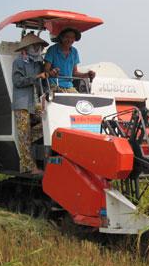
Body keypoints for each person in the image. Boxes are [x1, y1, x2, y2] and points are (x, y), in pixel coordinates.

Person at [12, 33, 49, 174]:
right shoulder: (18, 61)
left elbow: (43, 80)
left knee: (49, 122)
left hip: (35, 103)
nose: (38, 48)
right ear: (28, 47)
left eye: (39, 46)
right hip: (21, 103)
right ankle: (28, 166)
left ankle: (25, 141)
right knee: (24, 133)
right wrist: (35, 77)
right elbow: (17, 82)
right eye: (36, 46)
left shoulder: (38, 63)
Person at [44, 28, 96, 93]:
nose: (70, 40)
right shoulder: (52, 50)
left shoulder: (74, 52)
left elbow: (74, 73)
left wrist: (87, 75)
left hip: (69, 86)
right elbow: (46, 71)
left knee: (78, 100)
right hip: (53, 85)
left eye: (72, 37)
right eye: (67, 37)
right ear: (61, 37)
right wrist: (53, 72)